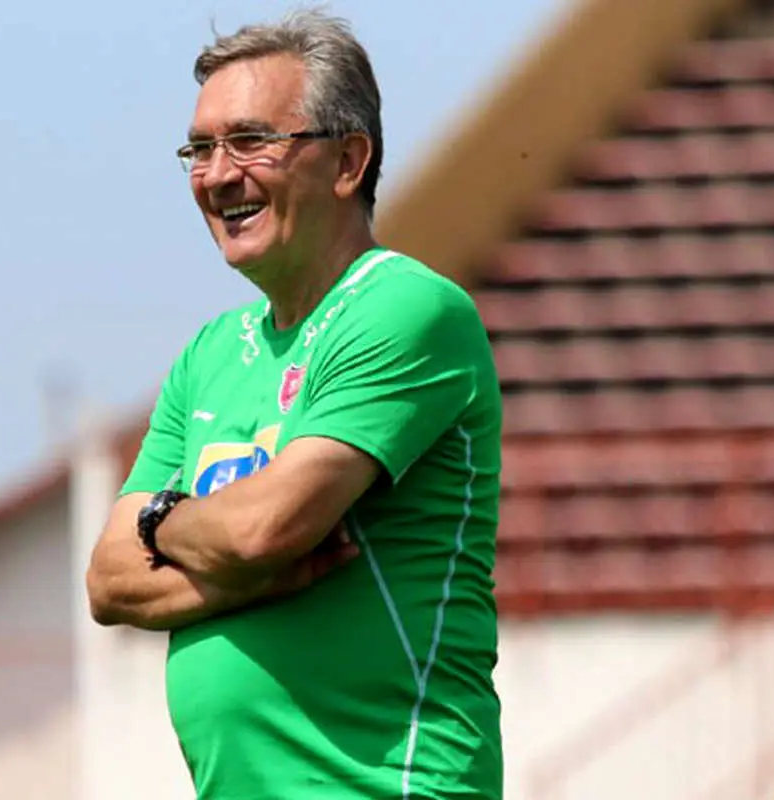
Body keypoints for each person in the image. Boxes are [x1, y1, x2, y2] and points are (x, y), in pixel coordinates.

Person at [85, 9, 503, 799]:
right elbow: (109, 583)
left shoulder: (405, 308)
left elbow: (264, 529)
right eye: (200, 149)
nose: (217, 175)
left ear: (348, 162)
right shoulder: (210, 354)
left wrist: (161, 522)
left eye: (250, 141)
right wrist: (244, 577)